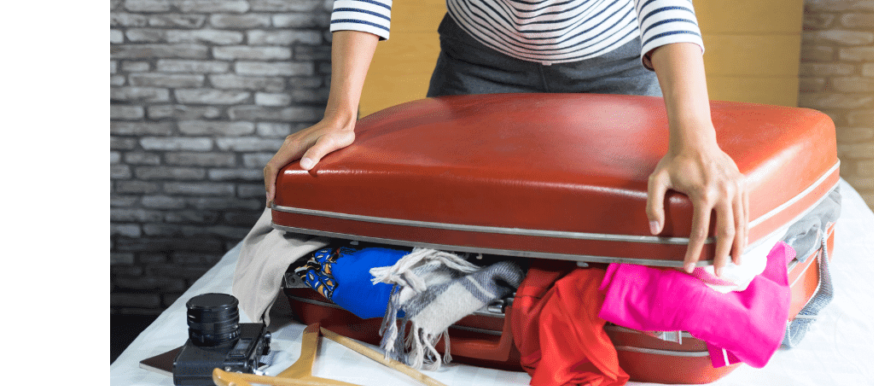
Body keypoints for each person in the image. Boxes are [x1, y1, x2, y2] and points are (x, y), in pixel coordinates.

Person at [263, 0, 748, 276]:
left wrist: (696, 140)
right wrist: (341, 115)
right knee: (449, 228)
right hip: (479, 61)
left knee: (624, 227)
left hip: (613, 63)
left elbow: (666, 5)